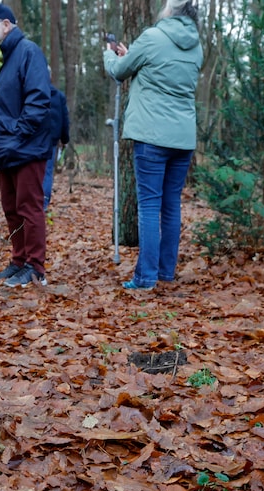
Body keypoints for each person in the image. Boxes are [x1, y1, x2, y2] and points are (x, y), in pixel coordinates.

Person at [103, 0, 202, 291]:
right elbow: (163, 71)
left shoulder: (151, 37)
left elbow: (120, 71)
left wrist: (110, 57)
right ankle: (165, 272)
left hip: (151, 135)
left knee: (148, 206)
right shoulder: (196, 46)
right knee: (171, 206)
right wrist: (132, 56)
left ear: (172, 11)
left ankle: (145, 278)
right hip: (182, 138)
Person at [0, 3, 52, 288]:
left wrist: (17, 134)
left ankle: (35, 268)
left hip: (26, 147)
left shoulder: (28, 52)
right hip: (7, 149)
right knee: (11, 208)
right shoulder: (0, 58)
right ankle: (19, 261)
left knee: (29, 208)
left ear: (7, 25)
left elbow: (39, 99)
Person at [42, 79, 70, 211]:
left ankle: (36, 203)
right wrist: (65, 139)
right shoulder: (58, 96)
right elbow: (64, 120)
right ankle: (44, 203)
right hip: (51, 139)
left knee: (35, 171)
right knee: (47, 172)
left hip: (35, 139)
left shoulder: (32, 93)